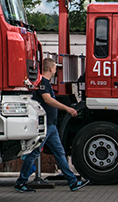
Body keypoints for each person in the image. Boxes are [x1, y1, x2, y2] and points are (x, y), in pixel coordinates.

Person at [14, 58, 88, 193]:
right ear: (50, 68)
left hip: (51, 126)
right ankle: (21, 182)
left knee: (59, 153)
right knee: (35, 153)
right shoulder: (43, 83)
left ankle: (72, 182)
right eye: (55, 67)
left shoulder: (44, 82)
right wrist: (67, 108)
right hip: (45, 125)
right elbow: (48, 99)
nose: (56, 70)